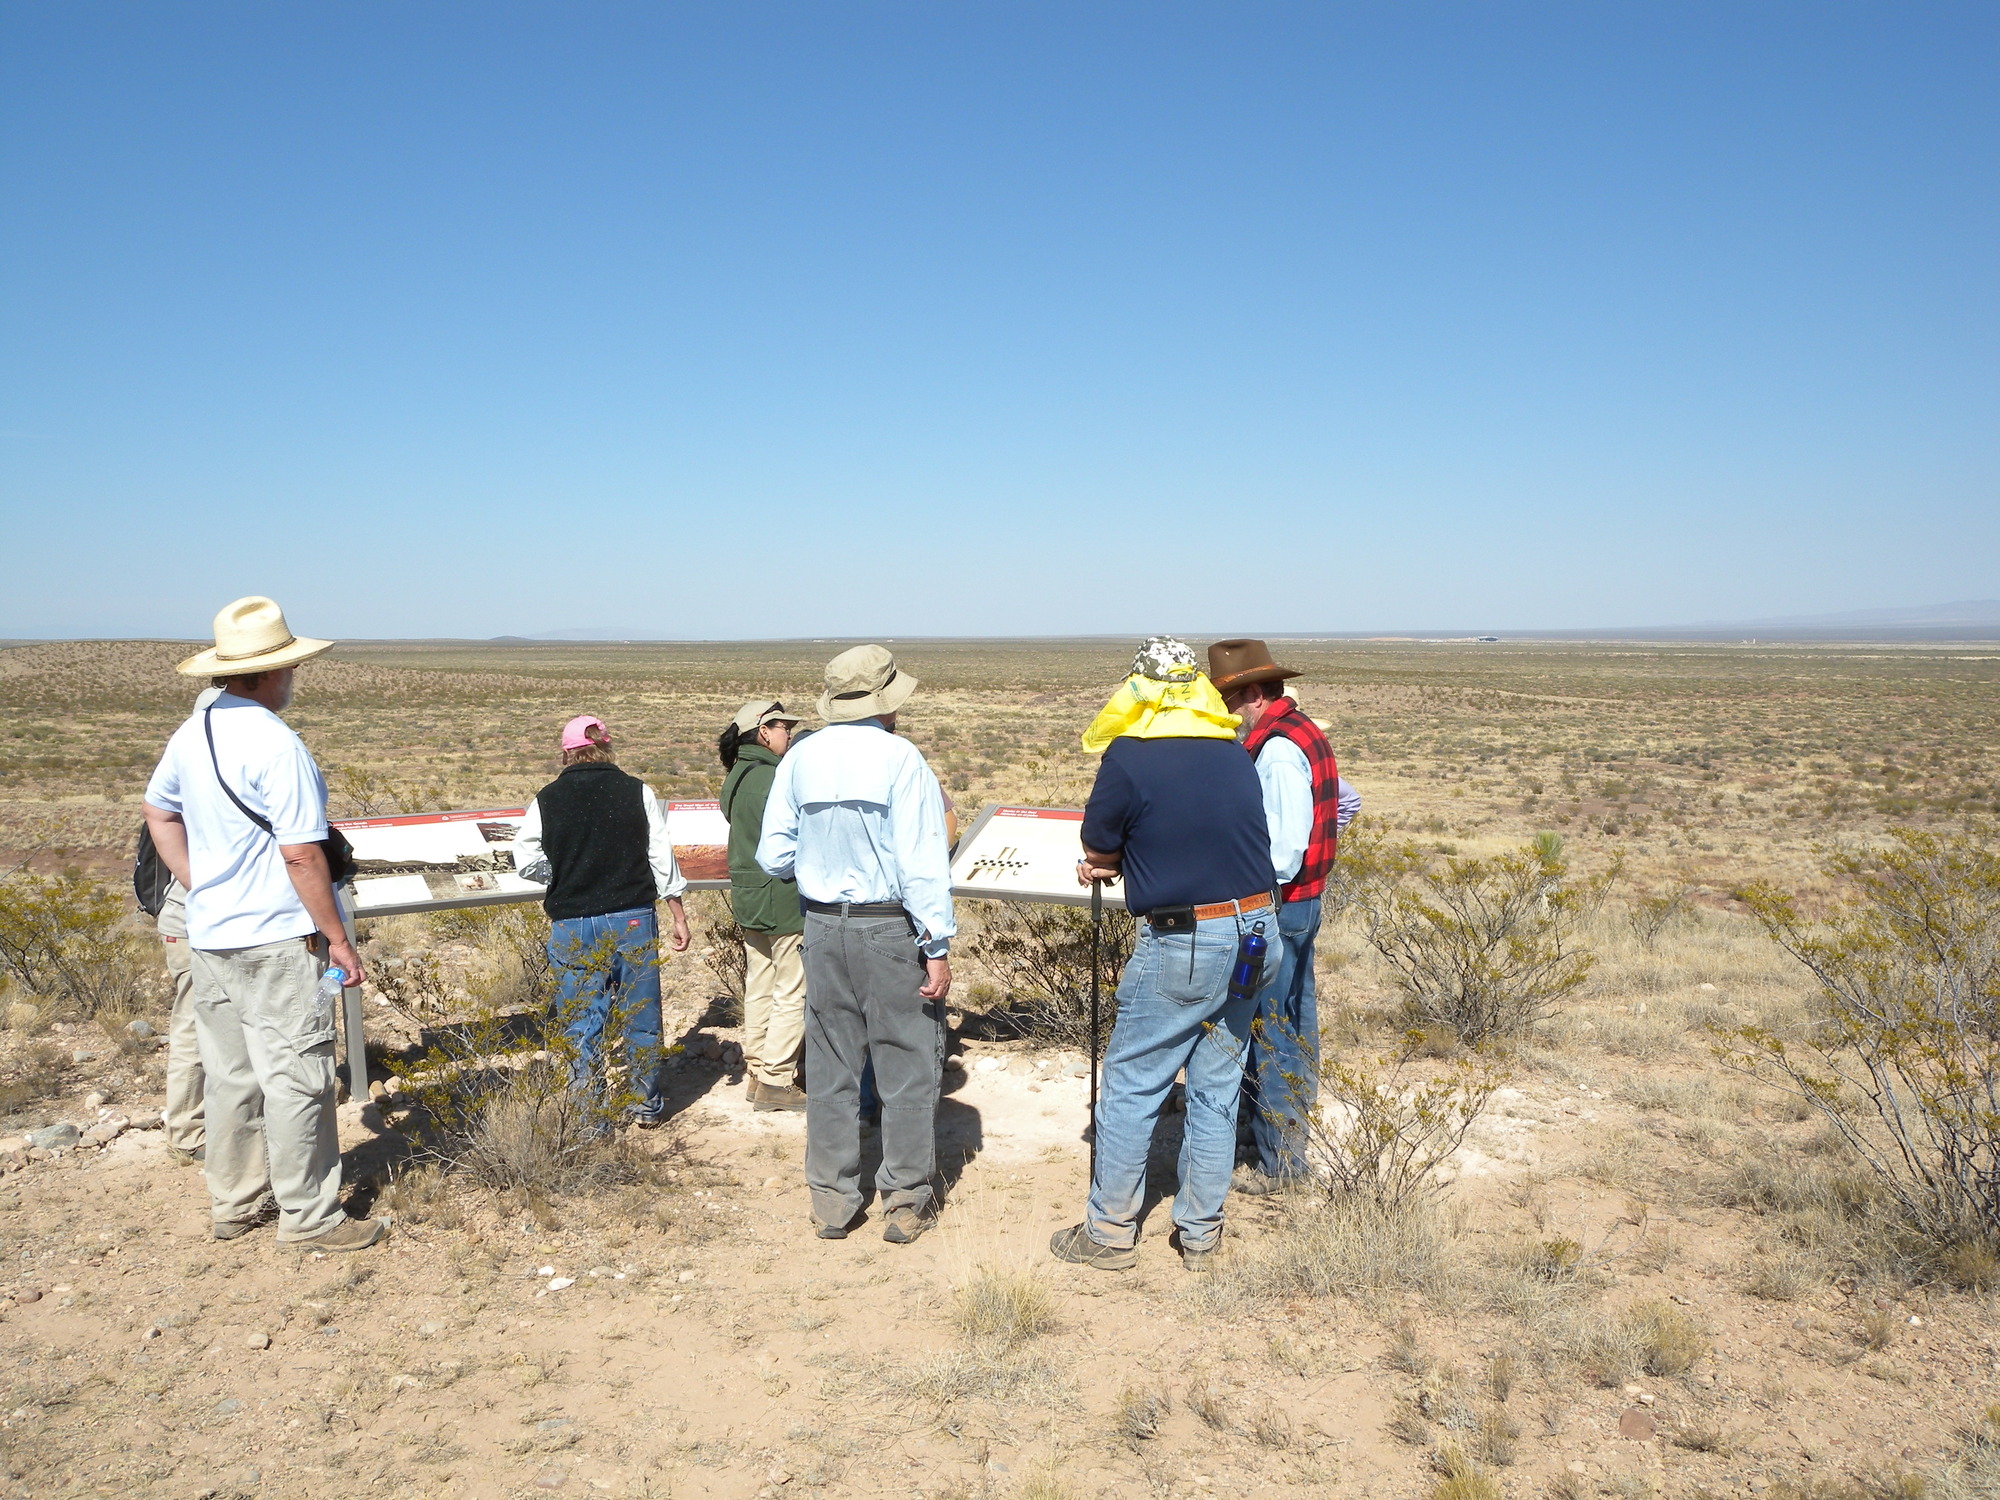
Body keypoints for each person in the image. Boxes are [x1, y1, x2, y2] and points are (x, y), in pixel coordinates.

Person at [141, 596, 381, 1249]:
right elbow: (301, 853)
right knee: (298, 1074)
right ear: (272, 672)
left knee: (232, 1075)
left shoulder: (192, 734)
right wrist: (336, 939)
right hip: (277, 937)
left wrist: (200, 883)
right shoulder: (279, 746)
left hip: (212, 933)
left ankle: (237, 1203)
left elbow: (158, 811)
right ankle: (310, 1216)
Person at [1049, 638, 1272, 1274]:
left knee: (1130, 1082)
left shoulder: (1130, 755)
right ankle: (1200, 1232)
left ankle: (1111, 1231)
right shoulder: (1231, 750)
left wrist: (1105, 866)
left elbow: (1100, 843)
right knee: (1217, 1085)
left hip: (1187, 938)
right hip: (1257, 930)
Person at [756, 645, 954, 1244]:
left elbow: (773, 854)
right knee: (906, 1063)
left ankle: (833, 1200)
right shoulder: (902, 759)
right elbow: (922, 862)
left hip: (821, 927)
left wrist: (820, 868)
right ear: (886, 702)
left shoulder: (800, 757)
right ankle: (904, 1197)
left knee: (831, 1065)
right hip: (890, 925)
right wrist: (937, 943)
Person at [1206, 638, 1350, 1195]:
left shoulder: (1279, 750)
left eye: (1233, 700)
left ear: (1256, 694)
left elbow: (1284, 850)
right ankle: (1270, 1138)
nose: (1229, 712)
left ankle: (1283, 1166)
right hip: (1300, 904)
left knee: (1273, 1027)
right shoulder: (1298, 733)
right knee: (1289, 1017)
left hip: (1281, 905)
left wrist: (1247, 896)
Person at [515, 715, 692, 1127]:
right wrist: (678, 914)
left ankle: (591, 1117)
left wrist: (557, 874)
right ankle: (644, 1106)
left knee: (582, 1022)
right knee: (641, 1014)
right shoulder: (636, 791)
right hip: (632, 917)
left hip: (573, 922)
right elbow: (661, 857)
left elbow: (525, 860)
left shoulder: (546, 798)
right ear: (606, 747)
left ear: (566, 752)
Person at [718, 700, 809, 1112]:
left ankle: (757, 1069)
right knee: (792, 989)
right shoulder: (773, 778)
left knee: (760, 983)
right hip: (782, 894)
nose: (788, 733)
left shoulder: (736, 775)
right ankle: (776, 1079)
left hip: (748, 892)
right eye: (782, 726)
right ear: (762, 731)